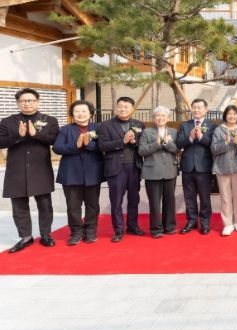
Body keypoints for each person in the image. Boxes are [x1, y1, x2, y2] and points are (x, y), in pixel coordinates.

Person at [0, 88, 59, 253]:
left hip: (40, 169)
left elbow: (55, 140)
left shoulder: (50, 120)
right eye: (23, 101)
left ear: (37, 102)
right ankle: (25, 237)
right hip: (16, 170)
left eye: (31, 100)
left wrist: (36, 135)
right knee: (19, 206)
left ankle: (46, 235)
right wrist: (18, 136)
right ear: (18, 103)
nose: (27, 103)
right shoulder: (8, 121)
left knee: (45, 205)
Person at [53, 100, 104, 245]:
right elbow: (57, 148)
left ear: (90, 113)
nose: (80, 114)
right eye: (76, 111)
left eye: (84, 111)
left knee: (92, 205)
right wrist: (75, 145)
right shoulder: (65, 129)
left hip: (93, 172)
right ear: (72, 114)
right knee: (73, 206)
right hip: (71, 173)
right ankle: (76, 232)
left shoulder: (98, 128)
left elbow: (103, 146)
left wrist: (89, 144)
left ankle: (90, 231)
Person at [98, 96, 145, 243]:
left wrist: (134, 141)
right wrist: (122, 141)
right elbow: (102, 145)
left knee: (134, 199)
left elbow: (142, 144)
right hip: (115, 167)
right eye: (120, 106)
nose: (123, 109)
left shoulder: (139, 124)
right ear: (116, 107)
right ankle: (118, 230)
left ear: (132, 109)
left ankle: (132, 226)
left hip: (134, 167)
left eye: (126, 107)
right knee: (116, 200)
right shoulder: (105, 125)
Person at [138, 106, 179, 238]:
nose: (160, 118)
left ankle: (169, 227)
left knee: (170, 200)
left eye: (163, 116)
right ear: (153, 118)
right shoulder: (147, 132)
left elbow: (177, 150)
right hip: (152, 171)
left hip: (170, 170)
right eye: (157, 116)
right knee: (155, 202)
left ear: (168, 118)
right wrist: (156, 144)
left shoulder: (173, 131)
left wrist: (167, 143)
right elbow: (141, 151)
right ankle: (156, 229)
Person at [176, 99, 215, 235]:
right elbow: (178, 143)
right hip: (187, 166)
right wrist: (191, 138)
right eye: (194, 107)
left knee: (205, 197)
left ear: (205, 110)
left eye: (199, 107)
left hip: (204, 166)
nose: (196, 110)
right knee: (189, 196)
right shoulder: (185, 125)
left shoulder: (211, 126)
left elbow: (212, 144)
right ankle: (191, 221)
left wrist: (201, 136)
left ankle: (205, 222)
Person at [211, 105, 237, 236]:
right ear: (225, 115)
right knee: (225, 197)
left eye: (235, 114)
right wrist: (225, 142)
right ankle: (227, 224)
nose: (232, 116)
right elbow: (213, 149)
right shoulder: (219, 129)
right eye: (229, 113)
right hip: (222, 167)